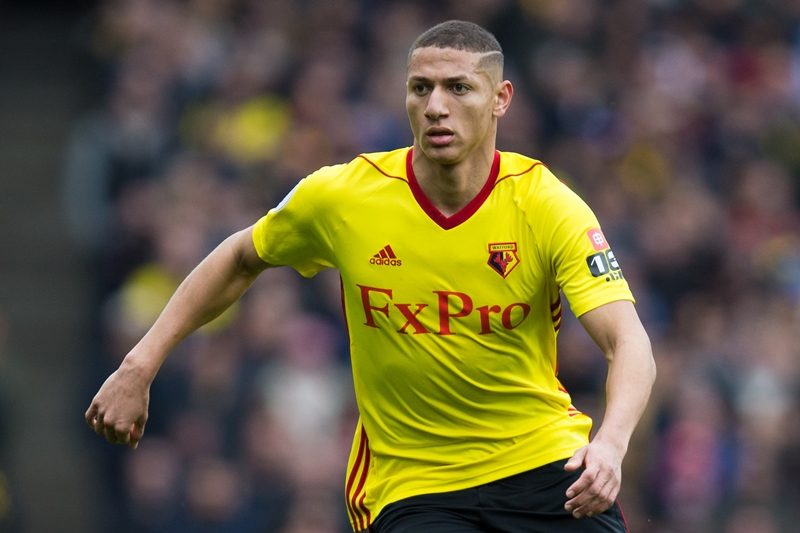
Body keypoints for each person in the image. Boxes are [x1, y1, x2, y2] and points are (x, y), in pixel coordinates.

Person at [86, 20, 656, 532]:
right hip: (415, 487)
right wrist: (139, 365)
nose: (436, 106)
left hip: (542, 464)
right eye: (420, 88)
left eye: (459, 88)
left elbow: (627, 341)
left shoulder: (547, 205)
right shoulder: (345, 197)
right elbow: (240, 257)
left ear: (500, 99)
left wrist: (610, 444)